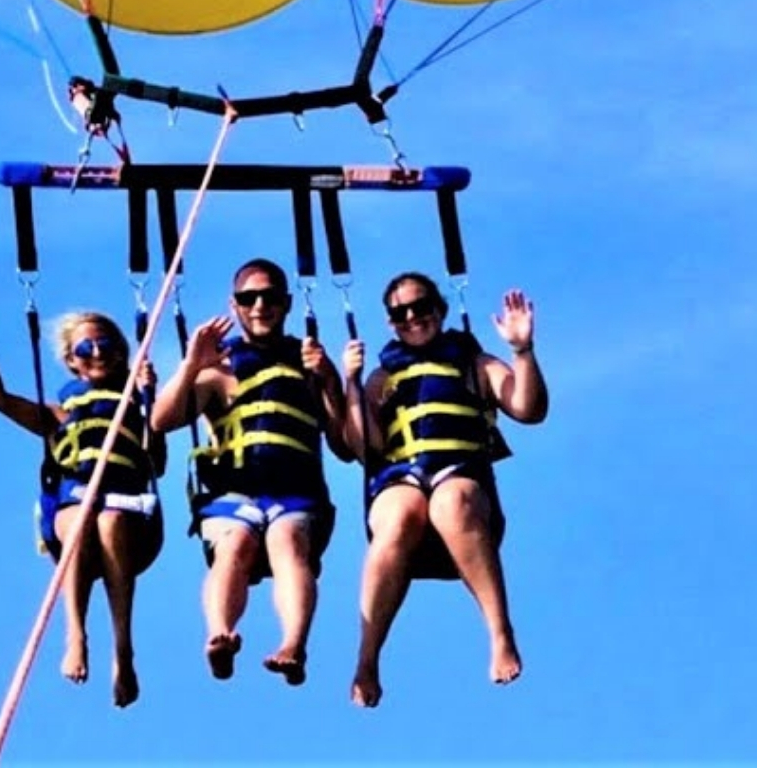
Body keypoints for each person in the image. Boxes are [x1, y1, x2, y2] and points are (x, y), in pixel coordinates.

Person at [0, 291, 165, 708]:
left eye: (107, 345)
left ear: (122, 353)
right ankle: (76, 634)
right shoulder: (59, 415)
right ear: (72, 361)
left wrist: (150, 403)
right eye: (87, 347)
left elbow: (160, 462)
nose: (98, 351)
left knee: (109, 520)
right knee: (83, 515)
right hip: (72, 512)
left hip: (130, 515)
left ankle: (123, 650)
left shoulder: (136, 406)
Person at [340, 274, 549, 708]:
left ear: (440, 308)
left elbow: (529, 409)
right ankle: (367, 658)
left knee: (450, 501)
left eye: (422, 306)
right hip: (404, 482)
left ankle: (500, 632)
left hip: (461, 480)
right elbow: (366, 448)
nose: (413, 317)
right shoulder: (384, 375)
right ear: (391, 322)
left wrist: (522, 350)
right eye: (401, 313)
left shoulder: (474, 363)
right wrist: (352, 385)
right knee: (399, 512)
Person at [150, 257, 349, 687]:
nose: (260, 305)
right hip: (233, 494)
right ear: (234, 304)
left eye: (271, 297)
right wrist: (191, 364)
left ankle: (293, 645)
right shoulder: (218, 370)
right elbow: (161, 421)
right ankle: (220, 633)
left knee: (287, 542)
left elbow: (344, 446)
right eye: (249, 297)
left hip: (295, 492)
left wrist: (331, 381)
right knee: (235, 544)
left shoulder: (307, 363)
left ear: (287, 303)